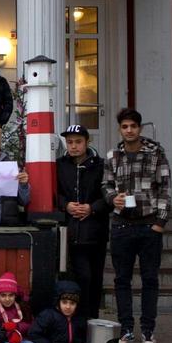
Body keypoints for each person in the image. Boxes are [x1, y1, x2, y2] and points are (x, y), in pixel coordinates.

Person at [102, 108, 171, 343]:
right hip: (121, 225)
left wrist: (160, 223)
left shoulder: (155, 153)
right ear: (120, 129)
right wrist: (113, 199)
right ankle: (127, 329)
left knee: (150, 279)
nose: (129, 130)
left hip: (148, 225)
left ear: (139, 128)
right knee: (122, 279)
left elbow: (164, 188)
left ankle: (148, 330)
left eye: (133, 126)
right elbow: (106, 185)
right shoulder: (113, 155)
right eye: (124, 127)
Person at [56, 124, 110, 321]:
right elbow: (55, 193)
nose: (73, 146)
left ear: (87, 142)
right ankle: (78, 321)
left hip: (95, 231)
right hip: (72, 232)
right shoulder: (60, 165)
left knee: (95, 280)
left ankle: (92, 321)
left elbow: (109, 195)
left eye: (78, 141)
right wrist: (66, 205)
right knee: (81, 277)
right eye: (70, 142)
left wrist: (92, 208)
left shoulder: (101, 165)